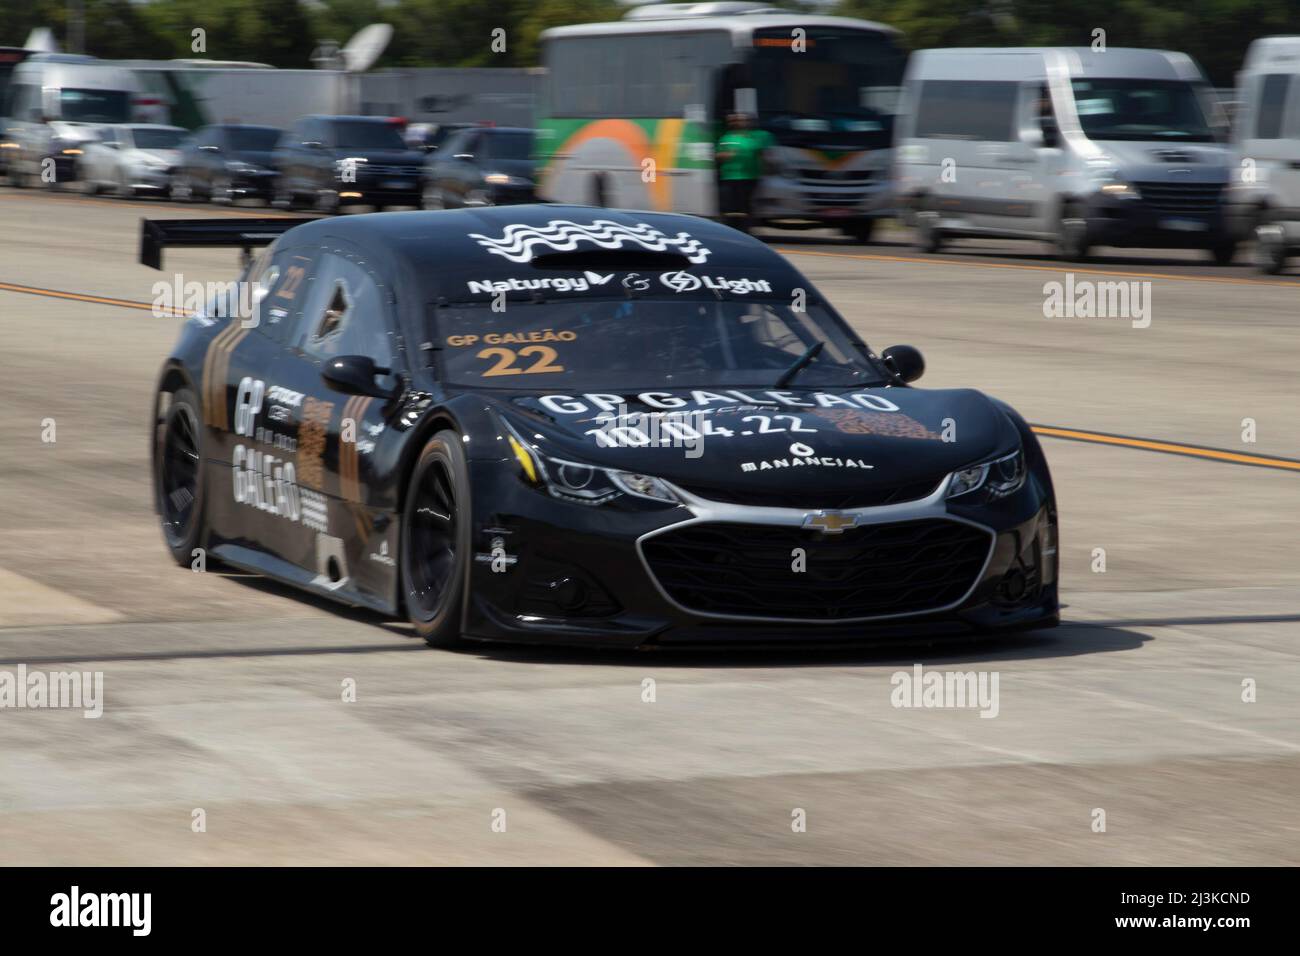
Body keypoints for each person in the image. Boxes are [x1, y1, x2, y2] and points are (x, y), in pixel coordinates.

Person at [716, 113, 774, 234]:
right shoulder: (726, 138)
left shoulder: (753, 138)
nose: (737, 122)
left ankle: (745, 230)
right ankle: (730, 229)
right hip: (730, 177)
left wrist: (766, 168)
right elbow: (717, 156)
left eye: (740, 120)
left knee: (746, 206)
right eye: (734, 120)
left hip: (750, 177)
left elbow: (762, 154)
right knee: (731, 206)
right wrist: (726, 155)